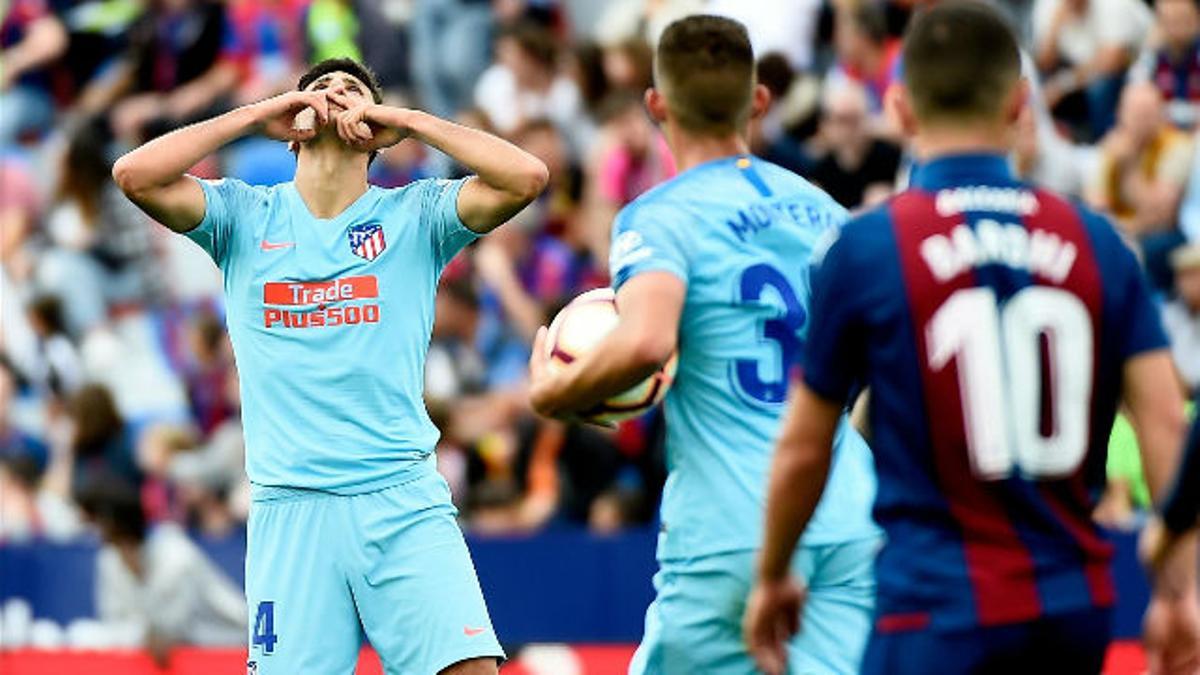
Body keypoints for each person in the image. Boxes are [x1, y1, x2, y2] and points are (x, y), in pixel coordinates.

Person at [742, 4, 1200, 674]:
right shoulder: (1098, 244)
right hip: (1070, 611)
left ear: (898, 110)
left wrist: (773, 573)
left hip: (934, 609)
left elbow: (806, 446)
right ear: (1020, 105)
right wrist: (1181, 589)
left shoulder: (868, 248)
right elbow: (1165, 421)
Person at [112, 56, 548, 675]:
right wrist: (258, 114)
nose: (337, 95)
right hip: (290, 509)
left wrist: (410, 122)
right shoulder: (242, 216)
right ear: (294, 125)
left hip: (401, 501)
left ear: (373, 129)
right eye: (320, 89)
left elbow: (526, 176)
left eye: (354, 91)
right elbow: (133, 174)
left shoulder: (414, 216)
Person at [529, 15, 879, 674]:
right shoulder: (828, 214)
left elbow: (645, 339)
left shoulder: (661, 217)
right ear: (759, 100)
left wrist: (556, 391)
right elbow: (876, 368)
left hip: (733, 524)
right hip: (846, 517)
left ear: (656, 104)